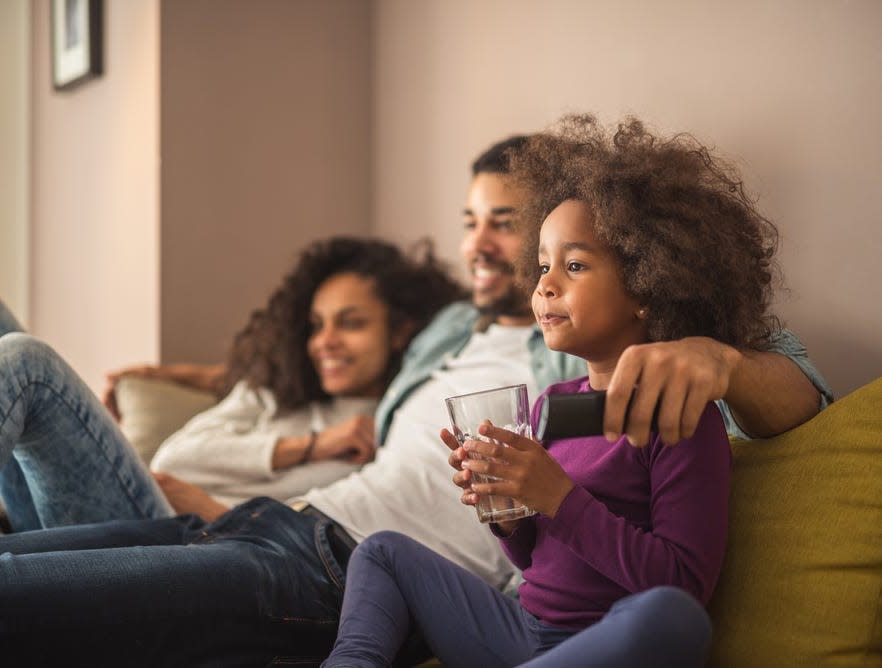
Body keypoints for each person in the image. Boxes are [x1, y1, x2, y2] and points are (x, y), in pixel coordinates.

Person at [0, 124, 831, 664]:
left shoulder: (645, 378)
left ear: (648, 273)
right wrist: (182, 375)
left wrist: (714, 358)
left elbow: (785, 382)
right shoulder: (447, 332)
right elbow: (311, 358)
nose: (485, 245)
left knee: (20, 364)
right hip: (260, 524)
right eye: (477, 222)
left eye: (507, 221)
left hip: (316, 570)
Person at [321, 114, 776, 667]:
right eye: (541, 265)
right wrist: (509, 515)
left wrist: (558, 496)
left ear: (648, 285)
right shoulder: (550, 404)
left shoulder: (681, 417)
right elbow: (536, 561)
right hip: (524, 632)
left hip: (604, 640)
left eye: (574, 265)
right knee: (381, 552)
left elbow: (681, 582)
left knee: (672, 617)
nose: (543, 285)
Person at [0, 236, 466, 531]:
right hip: (130, 503)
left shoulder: (390, 427)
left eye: (351, 324)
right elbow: (176, 456)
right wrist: (313, 445)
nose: (326, 342)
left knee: (26, 360)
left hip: (174, 537)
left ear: (400, 331)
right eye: (316, 326)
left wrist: (214, 506)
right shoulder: (277, 392)